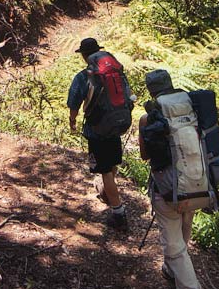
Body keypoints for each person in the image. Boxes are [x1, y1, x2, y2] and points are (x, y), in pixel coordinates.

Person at [138, 69, 202, 289]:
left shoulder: (148, 118)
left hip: (166, 189)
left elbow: (145, 155)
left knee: (173, 246)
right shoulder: (194, 109)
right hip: (198, 181)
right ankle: (170, 269)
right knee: (184, 223)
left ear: (151, 91)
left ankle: (189, 284)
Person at [67, 37, 131, 228]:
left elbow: (73, 103)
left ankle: (118, 212)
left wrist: (72, 122)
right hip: (117, 124)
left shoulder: (83, 76)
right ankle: (108, 193)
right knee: (111, 164)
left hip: (97, 129)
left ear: (84, 56)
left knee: (104, 170)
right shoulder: (115, 72)